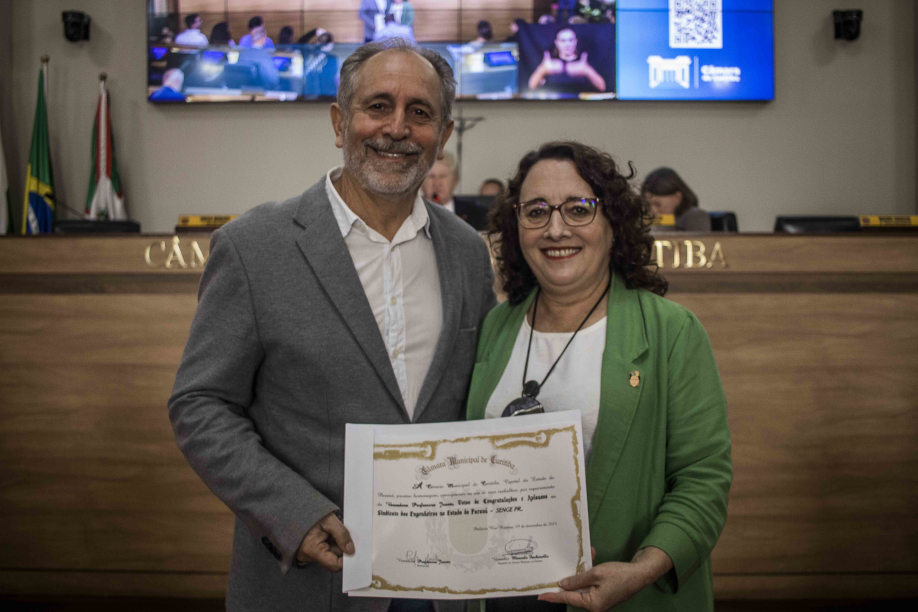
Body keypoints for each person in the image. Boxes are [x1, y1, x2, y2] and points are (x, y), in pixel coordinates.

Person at [169, 38, 496, 612]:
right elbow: (200, 404)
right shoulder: (255, 247)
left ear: (443, 136)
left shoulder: (468, 252)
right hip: (309, 580)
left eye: (420, 113)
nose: (397, 128)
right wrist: (292, 511)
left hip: (444, 584)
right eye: (378, 106)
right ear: (339, 121)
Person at [465, 141, 732, 612]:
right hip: (501, 595)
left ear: (613, 223)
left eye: (578, 209)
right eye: (536, 211)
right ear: (516, 227)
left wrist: (643, 568)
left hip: (627, 597)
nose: (555, 228)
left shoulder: (672, 331)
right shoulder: (496, 327)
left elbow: (703, 480)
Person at [422, 152, 490, 230]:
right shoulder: (408, 213)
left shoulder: (478, 215)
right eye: (431, 176)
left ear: (455, 180)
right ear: (420, 182)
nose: (437, 183)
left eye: (443, 176)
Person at [528, 27, 606, 93]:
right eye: (563, 41)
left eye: (570, 40)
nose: (567, 44)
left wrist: (587, 70)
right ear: (557, 42)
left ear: (576, 41)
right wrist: (543, 69)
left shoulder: (585, 61)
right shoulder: (549, 63)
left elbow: (602, 87)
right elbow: (531, 86)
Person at [641, 167, 712, 232]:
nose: (653, 210)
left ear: (677, 197)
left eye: (658, 204)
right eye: (648, 204)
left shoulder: (695, 216)